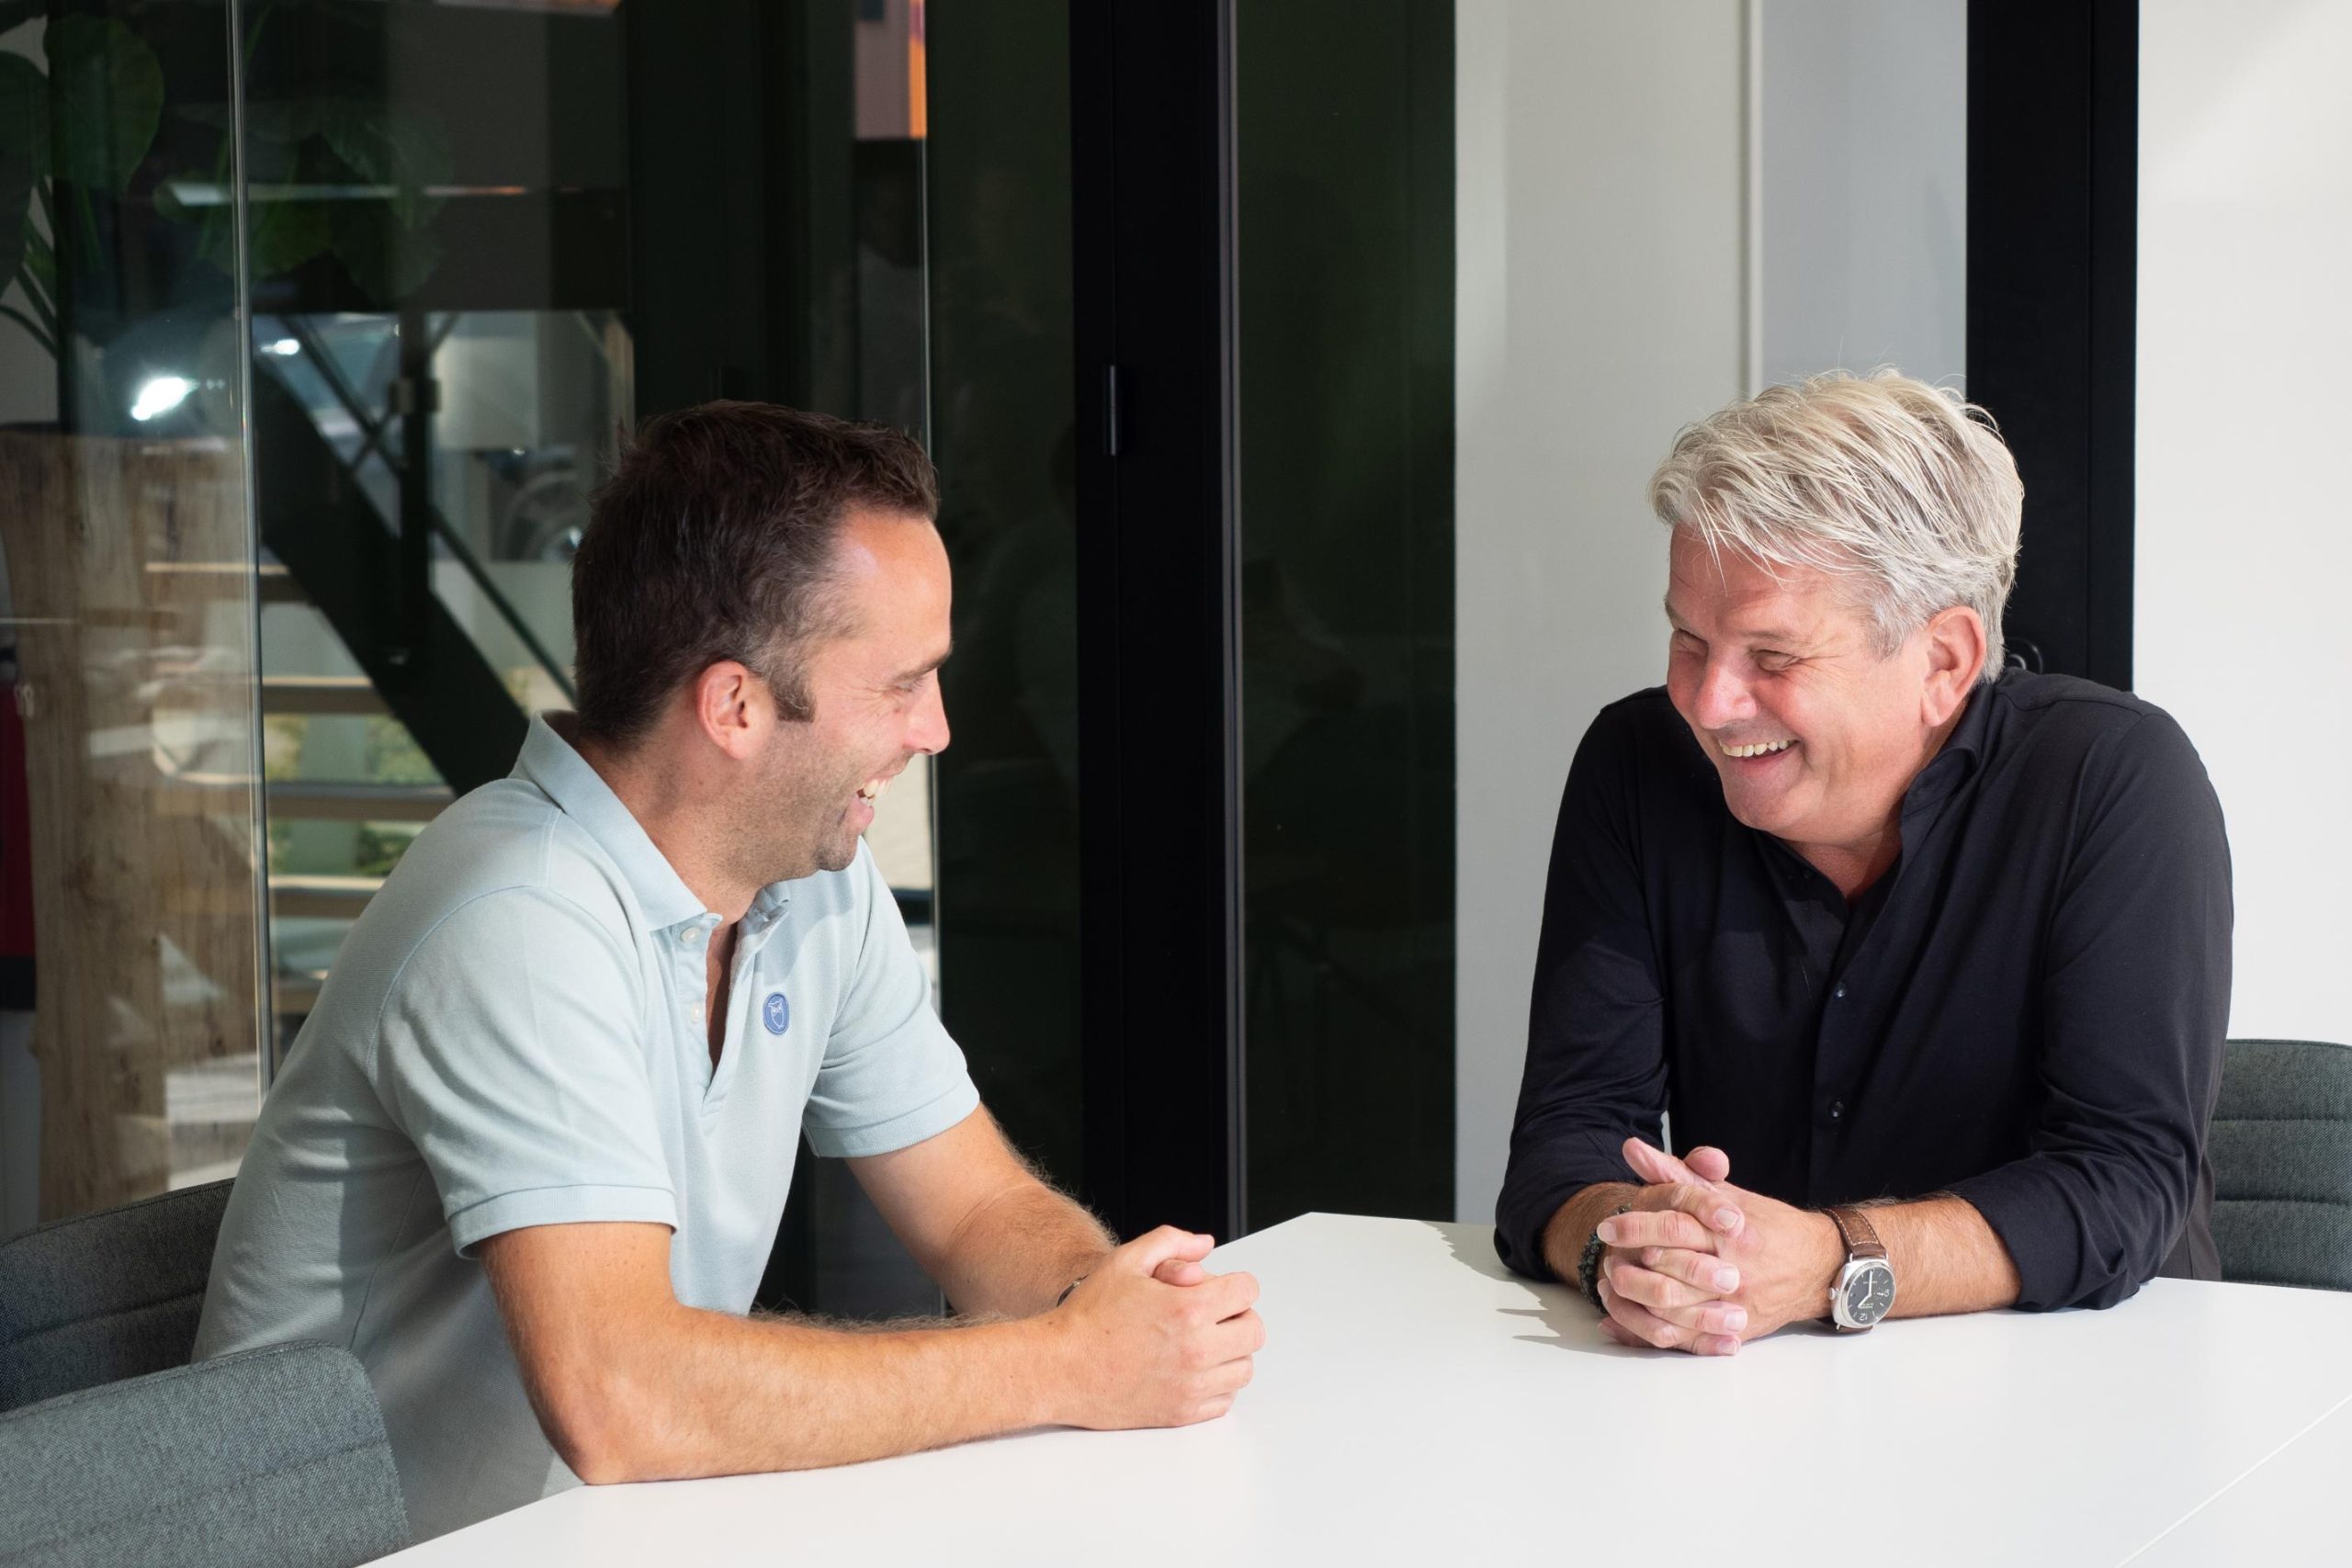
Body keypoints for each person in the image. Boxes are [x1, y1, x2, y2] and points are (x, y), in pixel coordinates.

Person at [196, 403, 1263, 1538]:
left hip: (601, 1532)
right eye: (902, 684)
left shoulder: (808, 882)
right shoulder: (517, 916)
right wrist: (1061, 1367)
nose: (939, 729)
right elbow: (623, 1399)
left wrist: (1106, 1309)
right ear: (735, 704)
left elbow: (978, 1208)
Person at [1496, 370, 2230, 1355]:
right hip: (1756, 1395)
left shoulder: (2110, 782)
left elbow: (2121, 1184)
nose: (1709, 704)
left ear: (1941, 664)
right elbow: (1566, 1141)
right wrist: (1626, 1249)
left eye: (1773, 657)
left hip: (2087, 1392)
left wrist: (1828, 1262)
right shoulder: (1634, 768)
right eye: (1687, 639)